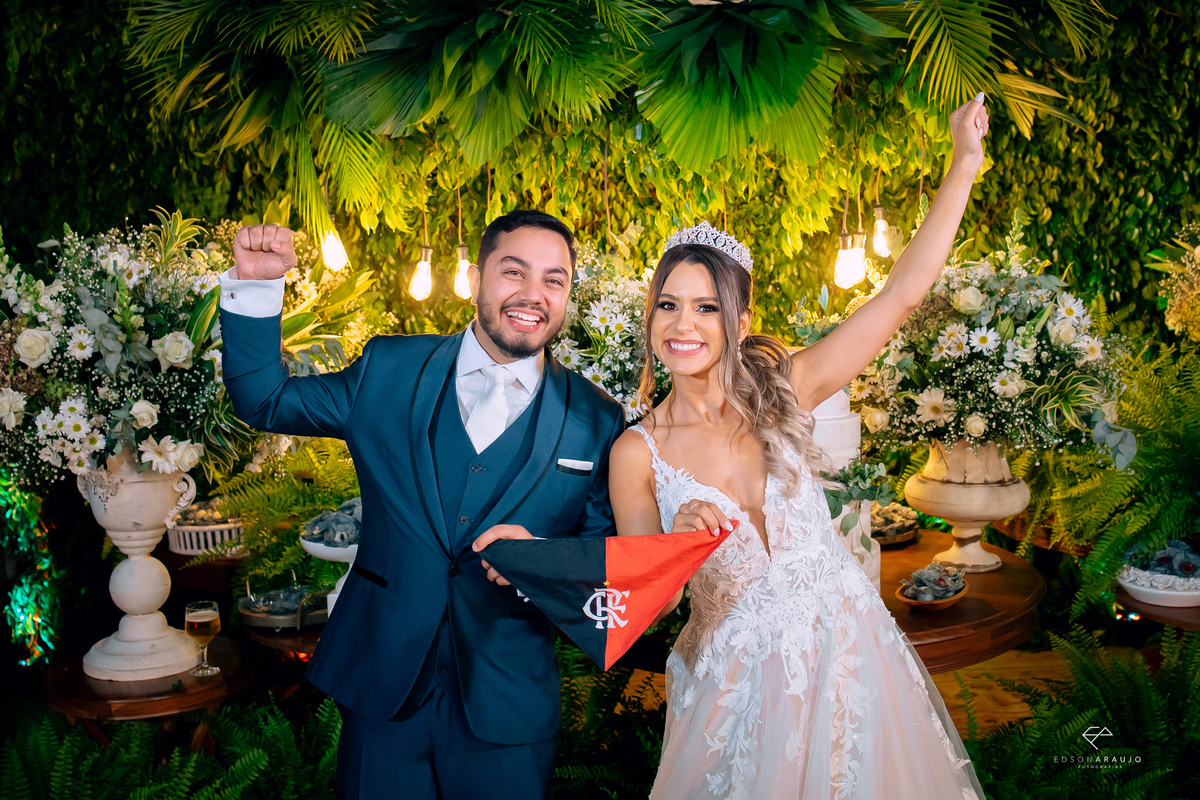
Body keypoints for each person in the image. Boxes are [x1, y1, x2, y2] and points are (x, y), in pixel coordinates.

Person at [607, 95, 992, 798]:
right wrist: (673, 545)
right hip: (738, 696)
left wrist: (964, 162)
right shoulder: (638, 453)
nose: (683, 325)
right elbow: (645, 611)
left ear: (740, 320)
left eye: (706, 307)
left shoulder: (786, 387)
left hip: (852, 665)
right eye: (668, 304)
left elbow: (900, 296)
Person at [218, 210, 625, 800]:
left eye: (553, 280)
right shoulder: (389, 369)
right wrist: (256, 287)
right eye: (514, 272)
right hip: (383, 689)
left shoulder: (596, 417)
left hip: (507, 709)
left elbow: (606, 561)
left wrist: (543, 561)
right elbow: (265, 398)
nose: (533, 295)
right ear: (477, 277)